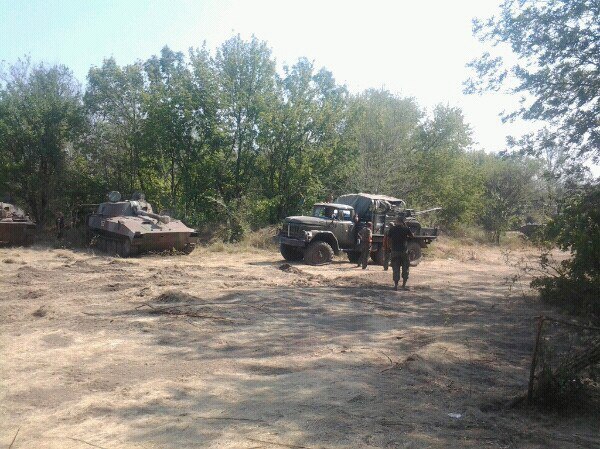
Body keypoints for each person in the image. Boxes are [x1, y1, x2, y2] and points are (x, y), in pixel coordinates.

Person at [388, 216, 414, 290]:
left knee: (395, 268)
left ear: (396, 221)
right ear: (403, 222)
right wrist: (406, 226)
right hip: (404, 251)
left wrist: (390, 247)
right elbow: (412, 236)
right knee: (405, 267)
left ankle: (396, 285)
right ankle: (403, 285)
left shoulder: (392, 229)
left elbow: (389, 238)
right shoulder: (405, 229)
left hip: (395, 251)